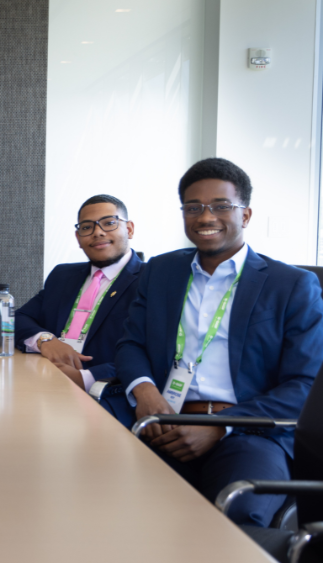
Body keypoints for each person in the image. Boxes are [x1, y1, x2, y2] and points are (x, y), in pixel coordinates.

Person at [114, 158, 323, 527]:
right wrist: (144, 390)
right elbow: (131, 343)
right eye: (193, 208)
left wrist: (221, 424)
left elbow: (304, 384)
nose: (205, 217)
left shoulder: (291, 285)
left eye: (221, 206)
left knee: (236, 509)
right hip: (165, 421)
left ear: (246, 215)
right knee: (108, 494)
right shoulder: (160, 272)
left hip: (252, 432)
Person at [15, 195, 143, 423]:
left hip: (105, 398)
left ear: (130, 229)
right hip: (42, 381)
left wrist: (85, 377)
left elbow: (152, 353)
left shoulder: (150, 280)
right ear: (78, 237)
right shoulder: (63, 275)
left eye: (109, 222)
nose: (98, 232)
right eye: (87, 227)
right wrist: (47, 340)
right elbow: (19, 318)